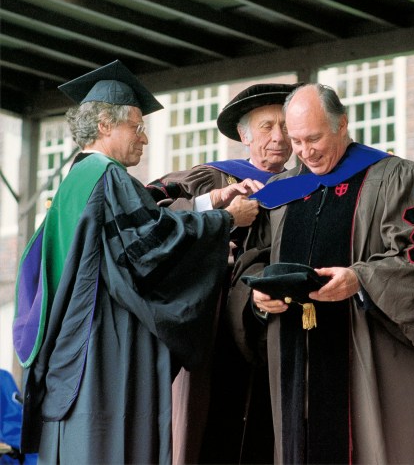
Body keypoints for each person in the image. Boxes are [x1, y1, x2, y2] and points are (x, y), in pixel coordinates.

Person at [12, 60, 259, 464]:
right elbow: (149, 247)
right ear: (106, 125)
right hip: (104, 344)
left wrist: (209, 201)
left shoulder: (78, 178)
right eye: (136, 126)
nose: (143, 139)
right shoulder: (108, 177)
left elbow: (140, 226)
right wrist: (226, 222)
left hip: (73, 345)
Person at [230, 83, 414, 463]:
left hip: (367, 349)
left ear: (342, 124)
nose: (304, 151)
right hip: (295, 358)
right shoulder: (283, 191)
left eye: (313, 138)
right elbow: (252, 259)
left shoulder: (395, 177)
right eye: (296, 141)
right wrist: (258, 295)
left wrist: (360, 279)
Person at [147, 82, 298, 464]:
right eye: (266, 127)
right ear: (244, 136)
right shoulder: (212, 179)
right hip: (213, 331)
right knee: (211, 432)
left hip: (278, 328)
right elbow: (149, 219)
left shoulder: (306, 187)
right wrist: (214, 222)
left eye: (285, 126)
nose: (278, 137)